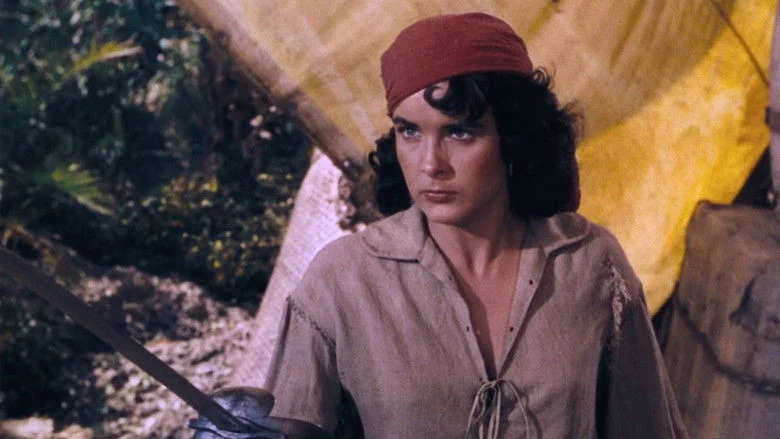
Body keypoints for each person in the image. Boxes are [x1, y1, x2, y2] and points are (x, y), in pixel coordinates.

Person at [192, 12, 688, 439]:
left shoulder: (591, 265)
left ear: (512, 138)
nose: (431, 164)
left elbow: (647, 429)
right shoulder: (342, 281)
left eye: (460, 133)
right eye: (409, 131)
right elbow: (287, 428)